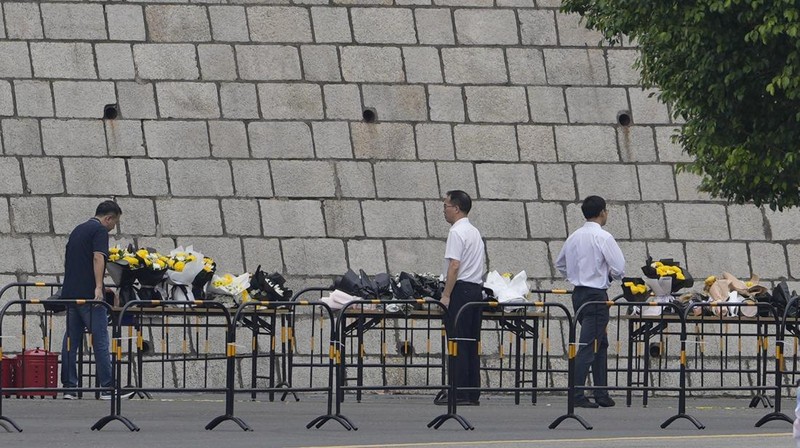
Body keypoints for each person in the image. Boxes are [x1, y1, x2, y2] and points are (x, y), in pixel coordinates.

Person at [555, 195, 625, 408]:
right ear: (602, 212)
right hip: (596, 295)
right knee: (588, 344)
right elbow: (619, 268)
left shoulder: (574, 236)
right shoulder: (603, 237)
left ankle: (601, 392)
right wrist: (608, 276)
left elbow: (560, 264)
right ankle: (576, 393)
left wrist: (576, 274)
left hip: (579, 293)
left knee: (599, 343)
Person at [60, 200, 127, 400]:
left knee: (71, 341)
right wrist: (99, 286)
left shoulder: (77, 230)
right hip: (90, 297)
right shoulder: (99, 231)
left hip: (71, 294)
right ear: (108, 218)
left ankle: (70, 388)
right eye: (113, 223)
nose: (112, 227)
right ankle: (107, 388)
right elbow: (98, 258)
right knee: (100, 340)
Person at [436, 190, 485, 406]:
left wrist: (446, 295)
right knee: (471, 342)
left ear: (456, 208)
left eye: (446, 205)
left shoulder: (456, 232)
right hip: (475, 290)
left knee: (457, 341)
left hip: (461, 290)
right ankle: (472, 391)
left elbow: (454, 265)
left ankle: (459, 391)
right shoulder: (474, 231)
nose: (444, 210)